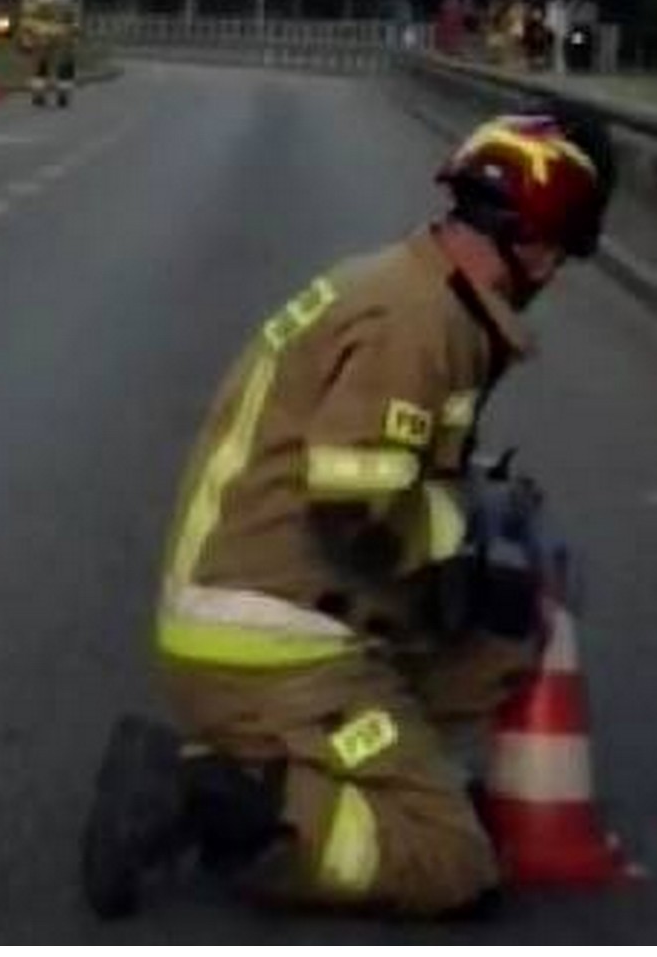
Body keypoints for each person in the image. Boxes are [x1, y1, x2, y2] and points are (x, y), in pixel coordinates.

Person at [82, 112, 615, 921]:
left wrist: (468, 501)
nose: (554, 274)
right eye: (560, 254)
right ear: (536, 245)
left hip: (261, 611)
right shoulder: (422, 323)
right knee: (451, 859)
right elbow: (354, 505)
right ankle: (204, 796)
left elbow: (376, 462)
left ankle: (342, 774)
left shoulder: (413, 285)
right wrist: (474, 532)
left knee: (491, 653)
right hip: (274, 641)